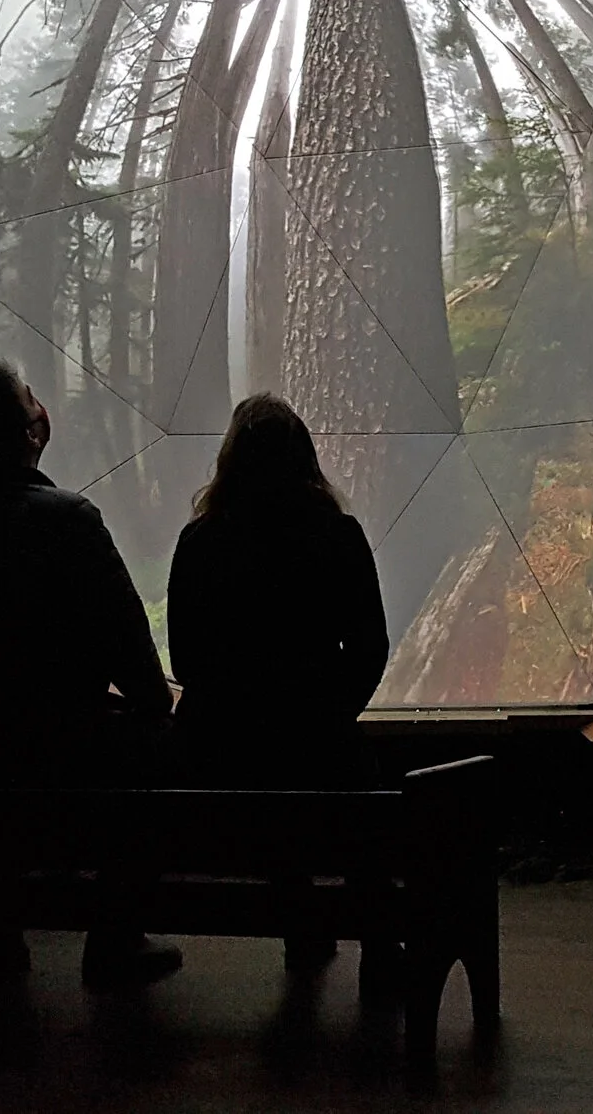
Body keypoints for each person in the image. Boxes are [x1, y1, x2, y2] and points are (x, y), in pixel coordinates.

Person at [0, 355, 179, 987]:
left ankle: (3, 941)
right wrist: (155, 704)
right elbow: (126, 642)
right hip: (60, 748)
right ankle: (113, 939)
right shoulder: (68, 520)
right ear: (29, 432)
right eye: (32, 406)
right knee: (153, 755)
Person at [167, 393, 394, 972]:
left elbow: (186, 660)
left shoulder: (200, 542)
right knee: (356, 798)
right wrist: (334, 712)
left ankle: (303, 924)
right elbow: (369, 646)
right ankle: (378, 946)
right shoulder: (336, 535)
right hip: (318, 746)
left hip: (217, 754)